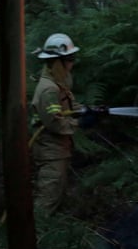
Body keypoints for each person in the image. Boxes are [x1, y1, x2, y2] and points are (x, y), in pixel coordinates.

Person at [29, 33, 96, 213]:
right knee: (48, 198)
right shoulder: (48, 90)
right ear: (57, 62)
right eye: (69, 59)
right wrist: (80, 124)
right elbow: (55, 123)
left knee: (57, 194)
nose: (72, 63)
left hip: (58, 150)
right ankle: (37, 234)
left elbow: (68, 105)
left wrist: (88, 110)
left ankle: (49, 234)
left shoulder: (57, 83)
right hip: (50, 152)